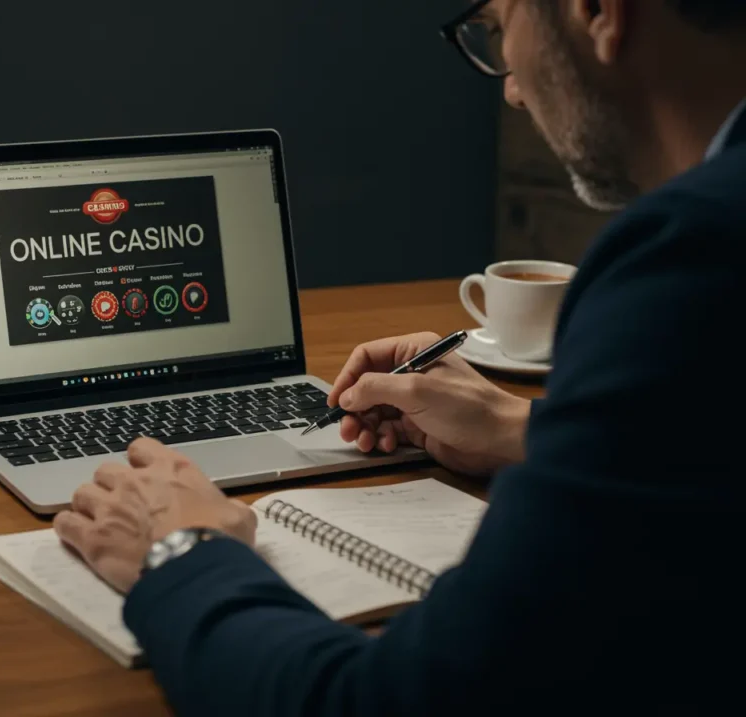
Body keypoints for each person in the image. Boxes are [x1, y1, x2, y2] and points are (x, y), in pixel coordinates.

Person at [54, 1, 745, 713]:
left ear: (596, 9)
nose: (511, 88)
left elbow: (386, 701)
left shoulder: (692, 260)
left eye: (499, 27)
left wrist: (184, 552)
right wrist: (523, 430)